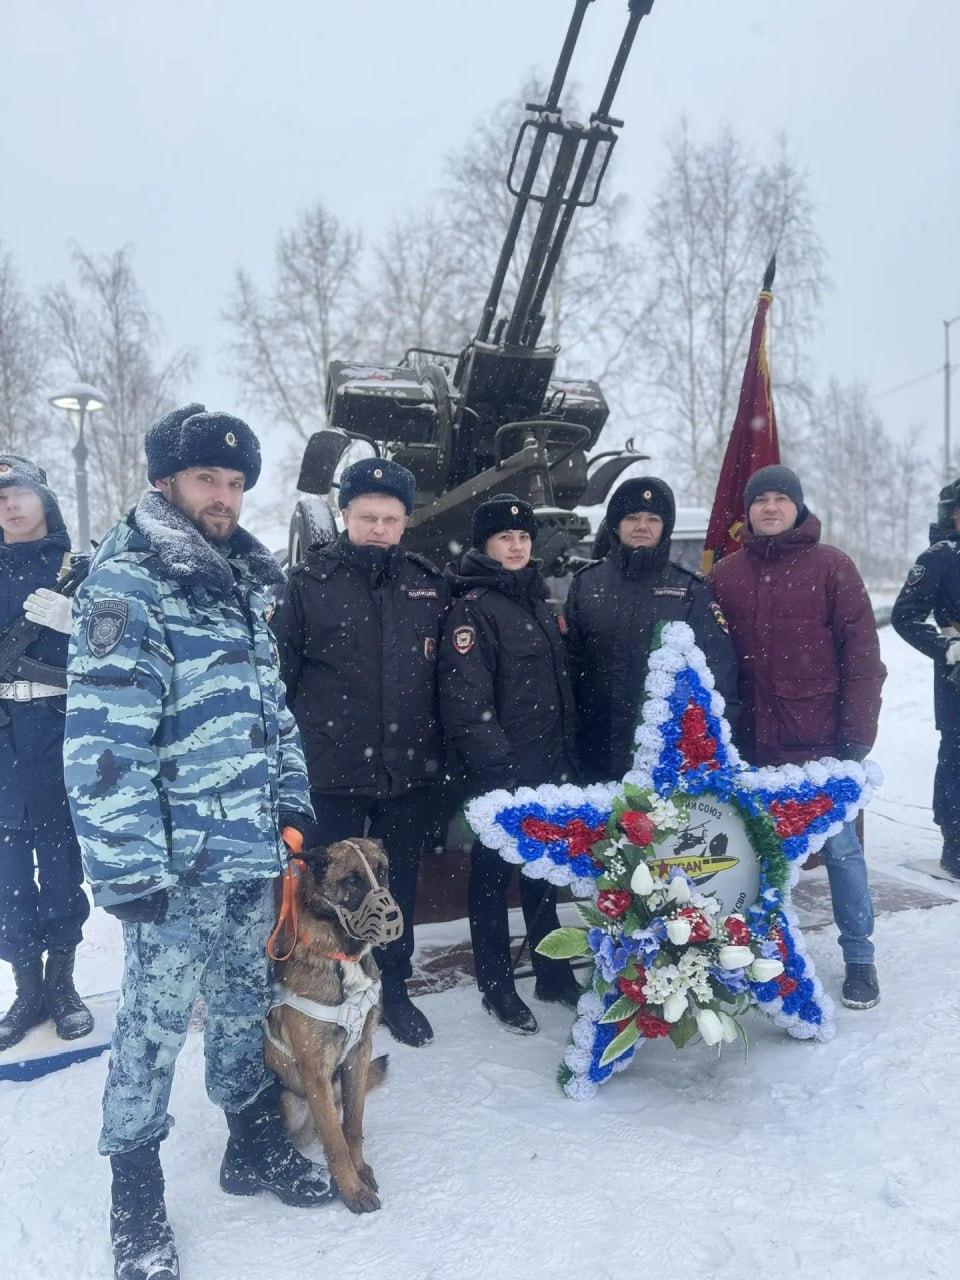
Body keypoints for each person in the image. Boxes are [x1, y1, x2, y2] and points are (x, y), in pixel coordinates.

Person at [64, 405, 332, 1280]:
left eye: (234, 483)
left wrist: (291, 804)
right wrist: (128, 866)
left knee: (245, 1002)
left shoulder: (238, 582)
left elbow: (273, 715)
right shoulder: (132, 584)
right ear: (165, 483)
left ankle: (249, 1145)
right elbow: (106, 742)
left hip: (248, 859)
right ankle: (135, 1201)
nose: (223, 496)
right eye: (206, 480)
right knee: (151, 1028)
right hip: (173, 872)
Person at [272, 456, 449, 1048]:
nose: (379, 528)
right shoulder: (307, 585)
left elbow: (443, 679)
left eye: (391, 518)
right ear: (345, 515)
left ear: (405, 522)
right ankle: (320, 993)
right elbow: (282, 681)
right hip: (330, 772)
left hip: (408, 774)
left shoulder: (428, 585)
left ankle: (392, 992)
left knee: (395, 891)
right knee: (324, 894)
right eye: (367, 516)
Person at [709, 464, 886, 1010]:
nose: (770, 507)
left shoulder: (832, 568)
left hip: (818, 746)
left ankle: (860, 958)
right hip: (748, 746)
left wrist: (854, 738)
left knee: (841, 851)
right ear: (748, 511)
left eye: (781, 499)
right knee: (748, 857)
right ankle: (753, 956)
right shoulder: (726, 575)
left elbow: (862, 660)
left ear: (798, 507)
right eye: (760, 500)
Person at [439, 495, 582, 1033]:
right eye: (505, 538)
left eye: (523, 537)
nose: (517, 545)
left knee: (543, 873)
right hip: (502, 775)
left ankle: (551, 969)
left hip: (547, 767)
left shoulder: (534, 601)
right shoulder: (472, 608)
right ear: (485, 545)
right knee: (492, 878)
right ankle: (497, 985)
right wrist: (499, 772)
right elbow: (467, 701)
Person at [0, 455, 93, 1051]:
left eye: (18, 492)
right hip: (3, 735)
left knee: (61, 865)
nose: (9, 504)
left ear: (44, 498)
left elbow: (120, 645)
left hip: (58, 731)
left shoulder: (80, 570)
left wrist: (77, 620)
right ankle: (26, 989)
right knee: (7, 873)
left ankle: (63, 986)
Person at [565, 475, 739, 783]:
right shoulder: (586, 584)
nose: (641, 526)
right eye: (632, 517)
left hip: (665, 758)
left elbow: (718, 675)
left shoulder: (689, 589)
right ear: (616, 525)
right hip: (595, 752)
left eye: (652, 518)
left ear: (664, 527)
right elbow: (570, 669)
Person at [891, 479, 960, 875]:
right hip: (958, 677)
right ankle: (955, 841)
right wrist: (946, 647)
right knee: (957, 759)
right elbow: (905, 616)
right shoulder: (939, 557)